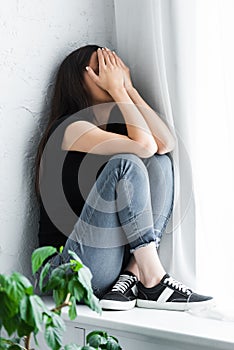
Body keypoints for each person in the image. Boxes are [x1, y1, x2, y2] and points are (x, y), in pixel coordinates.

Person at [35, 44, 213, 311]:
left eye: (112, 67)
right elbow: (142, 146)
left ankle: (135, 274)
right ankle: (154, 278)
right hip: (64, 270)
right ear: (77, 81)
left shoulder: (118, 128)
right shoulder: (71, 127)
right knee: (126, 163)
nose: (109, 74)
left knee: (160, 163)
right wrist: (118, 90)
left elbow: (164, 144)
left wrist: (128, 88)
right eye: (99, 69)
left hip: (107, 267)